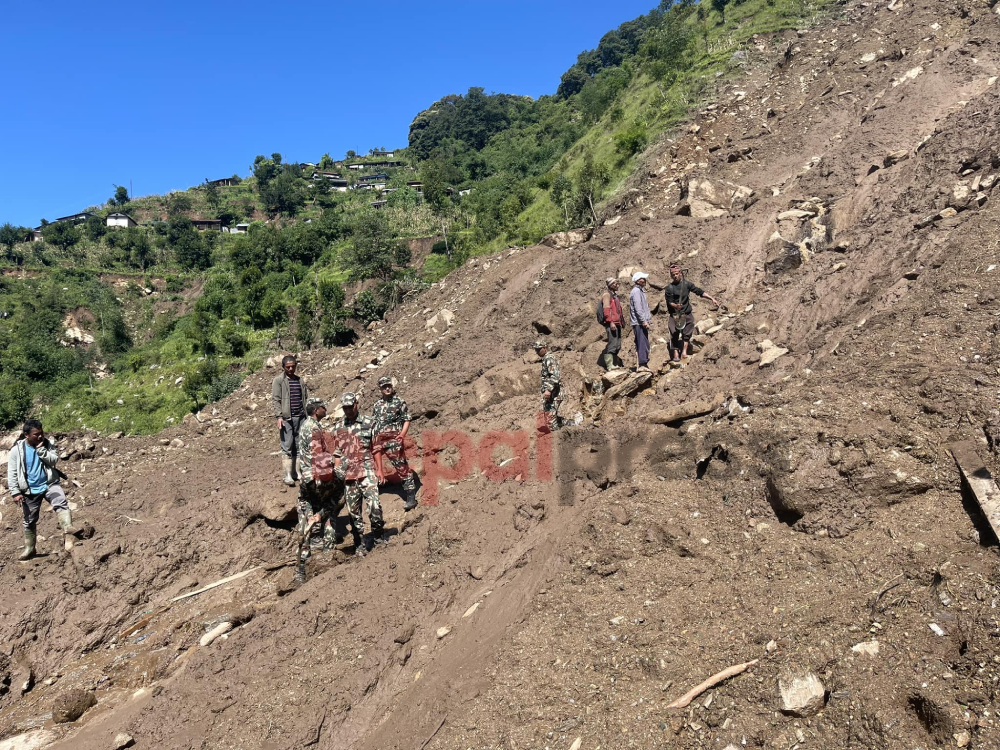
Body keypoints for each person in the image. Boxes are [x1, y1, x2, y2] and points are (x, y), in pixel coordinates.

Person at [8, 419, 80, 561]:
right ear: (26, 435)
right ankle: (30, 548)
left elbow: (53, 460)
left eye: (41, 433)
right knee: (30, 520)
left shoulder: (47, 444)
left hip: (49, 483)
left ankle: (68, 530)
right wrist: (15, 492)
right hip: (29, 490)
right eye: (36, 434)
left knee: (60, 502)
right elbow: (12, 473)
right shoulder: (17, 451)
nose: (40, 437)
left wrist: (41, 450)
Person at [295, 398, 345, 572]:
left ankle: (327, 564)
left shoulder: (337, 477)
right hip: (311, 494)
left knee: (330, 530)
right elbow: (303, 501)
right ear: (316, 410)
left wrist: (321, 514)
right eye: (323, 407)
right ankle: (301, 564)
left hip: (326, 497)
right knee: (304, 529)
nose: (326, 409)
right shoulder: (308, 479)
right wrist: (310, 516)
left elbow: (339, 499)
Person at [332, 392, 384, 554]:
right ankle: (359, 543)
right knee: (354, 514)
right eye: (345, 408)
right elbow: (338, 453)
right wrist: (337, 473)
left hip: (367, 471)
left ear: (357, 404)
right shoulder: (339, 428)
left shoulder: (369, 423)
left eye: (350, 406)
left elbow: (376, 448)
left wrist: (380, 470)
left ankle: (378, 536)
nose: (348, 410)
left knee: (374, 506)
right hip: (349, 476)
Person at [372, 376, 418, 512]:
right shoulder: (377, 404)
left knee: (401, 466)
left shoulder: (399, 402)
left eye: (388, 386)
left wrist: (402, 435)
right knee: (372, 463)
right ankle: (381, 484)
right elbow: (374, 421)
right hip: (379, 440)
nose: (387, 388)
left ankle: (411, 496)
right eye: (384, 386)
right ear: (380, 389)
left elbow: (407, 419)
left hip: (394, 440)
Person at [665, 263, 721, 361]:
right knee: (674, 332)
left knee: (687, 332)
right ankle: (675, 353)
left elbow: (699, 291)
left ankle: (684, 352)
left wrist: (712, 298)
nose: (675, 276)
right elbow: (669, 302)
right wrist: (675, 306)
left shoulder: (686, 284)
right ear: (671, 276)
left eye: (677, 274)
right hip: (675, 314)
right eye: (673, 275)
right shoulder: (669, 288)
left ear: (681, 273)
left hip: (686, 313)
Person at [272, 355, 309, 486]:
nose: (291, 369)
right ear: (283, 367)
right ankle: (287, 474)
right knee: (287, 445)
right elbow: (276, 400)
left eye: (293, 366)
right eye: (288, 367)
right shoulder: (279, 381)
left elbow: (304, 398)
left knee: (299, 445)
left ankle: (296, 472)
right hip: (286, 418)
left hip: (300, 417)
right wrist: (279, 416)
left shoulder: (300, 381)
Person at [533, 340, 562, 431]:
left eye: (539, 349)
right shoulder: (547, 358)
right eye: (536, 350)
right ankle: (570, 426)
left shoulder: (549, 358)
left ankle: (556, 440)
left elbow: (555, 376)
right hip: (552, 394)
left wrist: (548, 390)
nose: (537, 352)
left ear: (545, 348)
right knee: (551, 418)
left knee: (550, 421)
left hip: (554, 394)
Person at [629, 272, 652, 371]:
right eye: (643, 279)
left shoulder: (639, 291)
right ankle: (643, 364)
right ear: (638, 280)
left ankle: (642, 363)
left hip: (640, 322)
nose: (645, 280)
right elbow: (638, 309)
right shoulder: (636, 292)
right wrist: (644, 321)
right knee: (642, 342)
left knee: (642, 342)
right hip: (639, 323)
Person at [600, 278, 625, 371]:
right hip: (612, 323)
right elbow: (606, 309)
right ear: (609, 285)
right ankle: (610, 366)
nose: (616, 285)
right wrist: (610, 322)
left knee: (617, 344)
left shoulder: (615, 296)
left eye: (617, 283)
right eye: (614, 283)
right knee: (612, 343)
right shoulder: (607, 295)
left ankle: (614, 363)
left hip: (617, 323)